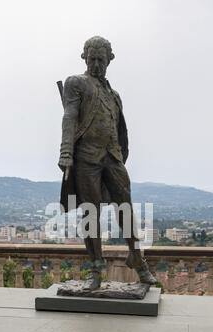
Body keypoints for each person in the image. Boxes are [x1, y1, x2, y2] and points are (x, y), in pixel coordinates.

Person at [58, 36, 156, 291]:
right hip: (86, 159)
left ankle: (136, 257)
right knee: (91, 213)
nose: (97, 64)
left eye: (101, 59)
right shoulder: (76, 83)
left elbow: (119, 129)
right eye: (92, 59)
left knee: (125, 207)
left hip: (112, 156)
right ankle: (96, 268)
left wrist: (120, 154)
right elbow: (69, 117)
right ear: (84, 58)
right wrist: (66, 151)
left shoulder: (114, 95)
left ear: (110, 60)